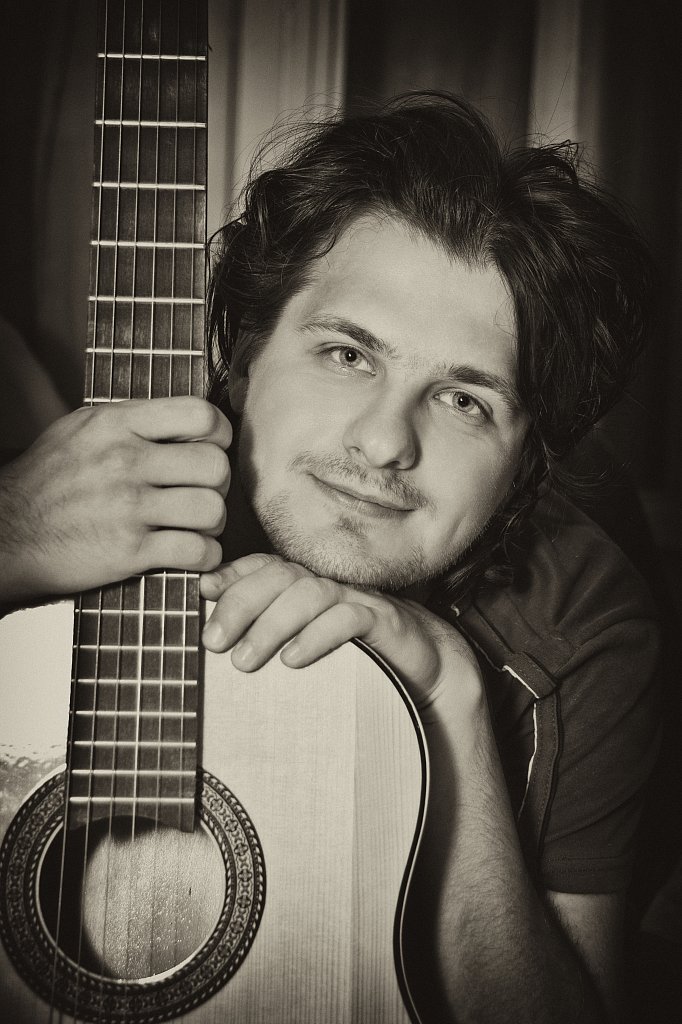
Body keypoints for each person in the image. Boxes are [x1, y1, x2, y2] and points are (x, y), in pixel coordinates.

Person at [0, 95, 660, 1022]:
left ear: (525, 464)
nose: (385, 442)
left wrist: (451, 696)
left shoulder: (581, 622)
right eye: (348, 354)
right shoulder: (64, 505)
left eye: (465, 401)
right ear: (242, 358)